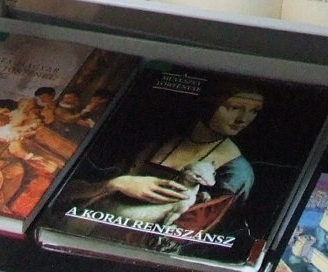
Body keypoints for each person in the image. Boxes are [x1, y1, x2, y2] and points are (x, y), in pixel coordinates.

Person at [61, 82, 266, 244]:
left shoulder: (236, 172)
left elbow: (187, 238)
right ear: (209, 103)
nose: (243, 119)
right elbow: (66, 191)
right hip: (81, 231)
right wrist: (116, 183)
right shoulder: (156, 141)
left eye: (254, 111)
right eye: (233, 107)